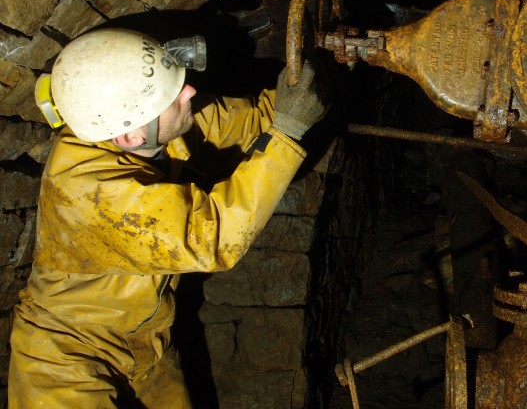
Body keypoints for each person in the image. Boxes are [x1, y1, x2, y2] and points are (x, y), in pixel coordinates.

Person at [8, 27, 328, 408]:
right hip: (63, 361)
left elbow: (252, 120)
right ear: (129, 137)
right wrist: (290, 130)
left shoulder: (149, 129)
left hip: (145, 346)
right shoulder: (89, 192)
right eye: (171, 95)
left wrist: (309, 80)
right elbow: (212, 237)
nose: (189, 91)